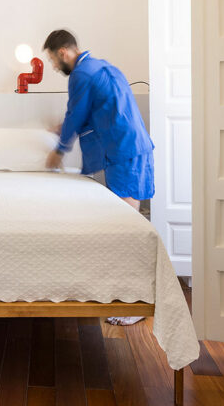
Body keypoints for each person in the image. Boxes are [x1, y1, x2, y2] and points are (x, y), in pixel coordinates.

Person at [43, 29, 154, 326]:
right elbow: (98, 111)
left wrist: (59, 150)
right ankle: (131, 296)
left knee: (127, 229)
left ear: (63, 53)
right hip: (134, 148)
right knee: (130, 223)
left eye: (53, 60)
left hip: (124, 152)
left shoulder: (81, 75)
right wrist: (64, 127)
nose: (54, 66)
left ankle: (136, 302)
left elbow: (76, 115)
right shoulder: (103, 67)